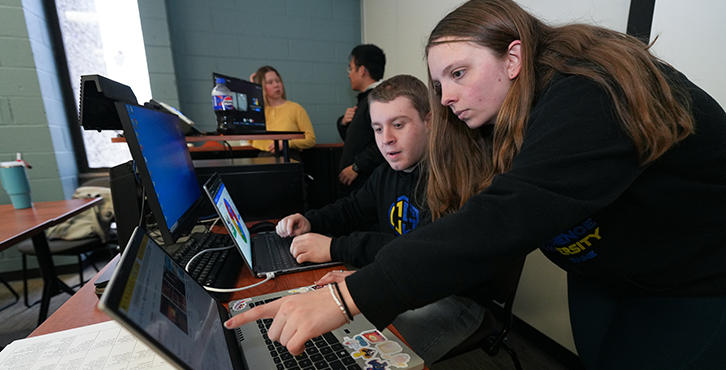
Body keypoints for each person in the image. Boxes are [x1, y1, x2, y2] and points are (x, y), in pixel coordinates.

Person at [225, 1, 726, 369]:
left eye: (460, 73)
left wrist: (349, 296)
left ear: (513, 58)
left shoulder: (591, 91)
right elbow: (468, 219)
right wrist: (362, 273)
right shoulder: (496, 125)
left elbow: (504, 216)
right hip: (605, 272)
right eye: (440, 84)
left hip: (696, 280)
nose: (447, 98)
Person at [275, 74, 487, 363]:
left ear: (430, 121)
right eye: (377, 128)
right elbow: (350, 209)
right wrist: (310, 221)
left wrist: (336, 248)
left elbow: (420, 253)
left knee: (365, 356)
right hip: (398, 278)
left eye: (398, 124)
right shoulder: (387, 173)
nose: (386, 139)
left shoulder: (453, 177)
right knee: (337, 332)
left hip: (452, 297)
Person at [336, 44, 387, 196]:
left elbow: (385, 142)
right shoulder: (365, 101)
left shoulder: (378, 100)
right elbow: (360, 140)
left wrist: (357, 167)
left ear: (362, 70)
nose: (349, 74)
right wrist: (344, 123)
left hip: (365, 186)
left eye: (351, 69)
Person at [249, 66, 316, 161]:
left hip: (289, 156)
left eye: (278, 81)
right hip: (263, 158)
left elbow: (311, 139)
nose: (276, 85)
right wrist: (254, 90)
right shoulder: (258, 110)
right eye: (270, 82)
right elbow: (250, 139)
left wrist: (286, 143)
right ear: (261, 86)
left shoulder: (296, 108)